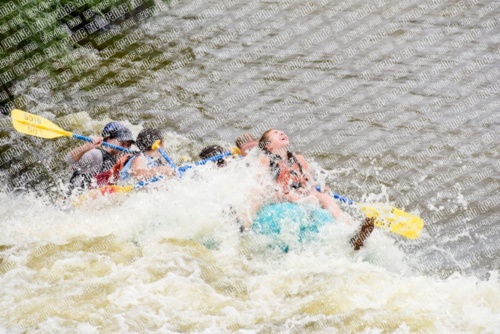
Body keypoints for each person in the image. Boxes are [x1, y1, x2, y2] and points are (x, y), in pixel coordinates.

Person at [257, 128, 374, 250]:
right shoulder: (266, 161)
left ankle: (350, 231)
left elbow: (309, 181)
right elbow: (264, 186)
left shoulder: (299, 159)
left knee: (324, 196)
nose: (281, 133)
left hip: (301, 195)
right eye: (275, 133)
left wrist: (313, 191)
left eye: (281, 131)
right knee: (294, 196)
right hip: (282, 197)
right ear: (269, 146)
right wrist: (285, 194)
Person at [66, 122, 135, 192]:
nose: (126, 148)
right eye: (122, 143)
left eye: (128, 145)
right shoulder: (97, 155)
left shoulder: (125, 161)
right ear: (108, 140)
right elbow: (69, 160)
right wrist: (85, 147)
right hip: (75, 198)